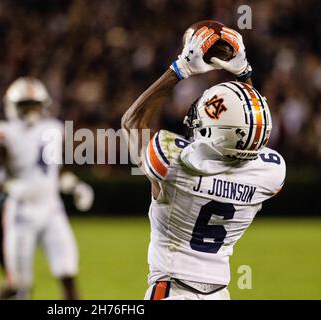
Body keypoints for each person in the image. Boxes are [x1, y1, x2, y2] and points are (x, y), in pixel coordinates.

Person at [121, 26, 286, 300]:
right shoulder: (270, 173)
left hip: (172, 290)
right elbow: (247, 132)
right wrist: (244, 74)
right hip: (220, 294)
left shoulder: (173, 161)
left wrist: (180, 68)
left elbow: (132, 121)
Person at [0, 77, 94, 300]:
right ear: (12, 106)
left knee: (68, 272)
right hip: (20, 213)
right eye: (24, 105)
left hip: (52, 210)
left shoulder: (53, 128)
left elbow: (51, 170)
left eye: (34, 105)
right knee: (18, 286)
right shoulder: (4, 132)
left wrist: (75, 186)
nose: (30, 110)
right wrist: (9, 186)